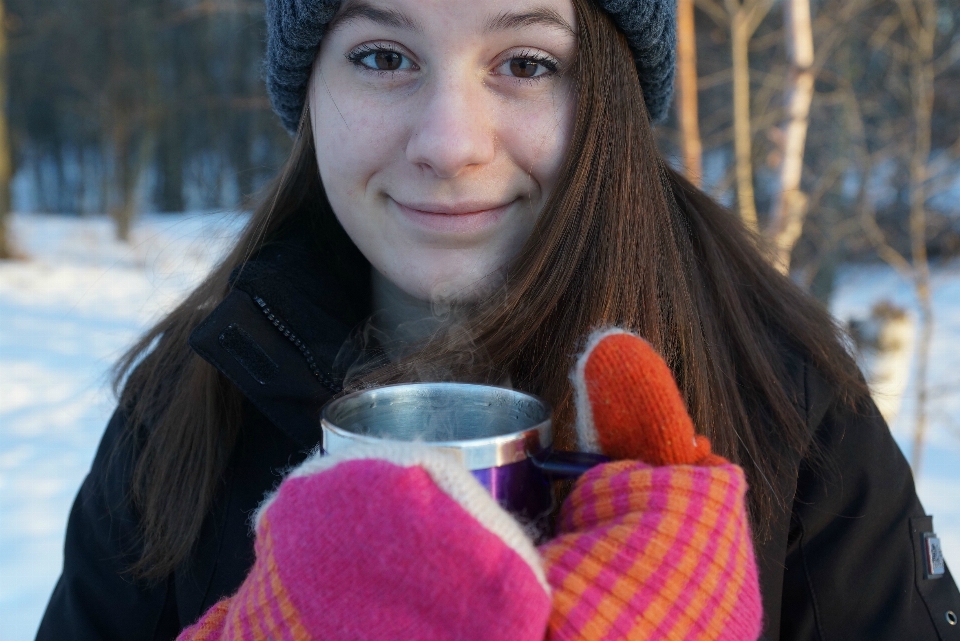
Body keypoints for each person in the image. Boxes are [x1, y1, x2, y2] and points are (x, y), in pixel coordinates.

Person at [36, 0, 960, 638]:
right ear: (308, 91)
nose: (449, 142)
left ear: (607, 98)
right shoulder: (188, 404)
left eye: (526, 63)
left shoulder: (788, 400)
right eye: (383, 56)